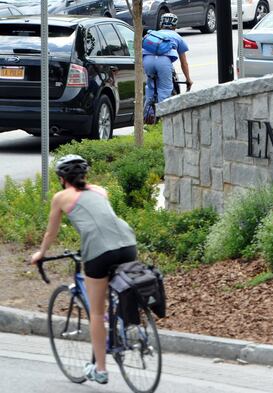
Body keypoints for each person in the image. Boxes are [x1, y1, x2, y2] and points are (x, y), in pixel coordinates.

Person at [30, 155, 137, 385]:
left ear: (61, 179)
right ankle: (123, 325)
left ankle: (100, 370)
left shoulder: (61, 197)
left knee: (97, 313)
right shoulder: (101, 190)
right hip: (128, 245)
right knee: (116, 289)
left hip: (99, 252)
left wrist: (41, 253)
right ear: (85, 175)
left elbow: (51, 233)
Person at [143, 12, 193, 108]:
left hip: (147, 60)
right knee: (165, 90)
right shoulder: (177, 37)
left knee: (150, 88)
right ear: (175, 26)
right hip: (163, 62)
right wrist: (188, 79)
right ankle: (162, 117)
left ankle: (148, 117)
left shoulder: (154, 34)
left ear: (161, 24)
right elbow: (184, 63)